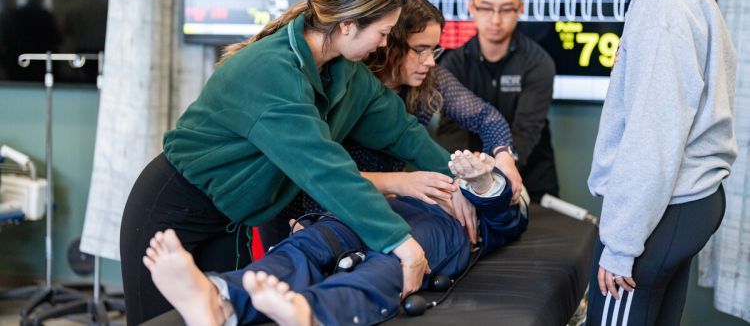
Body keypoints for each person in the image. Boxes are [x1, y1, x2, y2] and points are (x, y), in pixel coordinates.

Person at [119, 0, 475, 324]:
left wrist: (460, 181)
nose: (385, 44)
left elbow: (402, 132)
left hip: (229, 216)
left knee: (222, 313)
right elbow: (324, 170)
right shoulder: (272, 71)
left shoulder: (345, 72)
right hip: (172, 208)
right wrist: (403, 244)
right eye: (383, 33)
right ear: (349, 25)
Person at [258, 0, 524, 249]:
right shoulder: (348, 85)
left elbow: (486, 117)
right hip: (308, 206)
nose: (430, 61)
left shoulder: (429, 80)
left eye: (434, 50)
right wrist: (398, 184)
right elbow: (316, 170)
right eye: (420, 50)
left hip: (372, 206)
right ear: (388, 43)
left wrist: (504, 158)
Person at [586, 0, 737, 325]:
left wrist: (621, 244)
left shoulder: (662, 3)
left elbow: (654, 134)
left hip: (664, 208)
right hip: (690, 201)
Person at [143, 150, 528, 326]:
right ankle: (221, 299)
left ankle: (310, 313)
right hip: (381, 210)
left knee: (387, 267)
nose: (468, 165)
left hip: (439, 231)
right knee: (310, 243)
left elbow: (506, 219)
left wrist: (484, 181)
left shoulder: (482, 206)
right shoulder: (423, 169)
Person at [436, 0, 559, 202]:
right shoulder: (453, 64)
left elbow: (526, 131)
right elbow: (451, 131)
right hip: (469, 177)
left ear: (519, 9)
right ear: (471, 7)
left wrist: (497, 168)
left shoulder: (539, 63)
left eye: (505, 10)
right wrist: (471, 170)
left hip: (529, 176)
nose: (495, 19)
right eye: (485, 8)